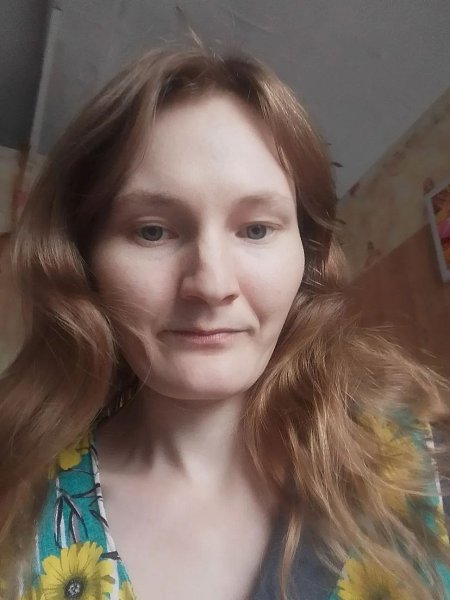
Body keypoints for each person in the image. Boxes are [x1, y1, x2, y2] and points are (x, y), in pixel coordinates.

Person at [0, 41, 449, 600]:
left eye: (256, 229)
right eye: (152, 231)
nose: (212, 285)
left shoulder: (422, 469)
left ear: (307, 256)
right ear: (84, 261)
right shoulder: (16, 505)